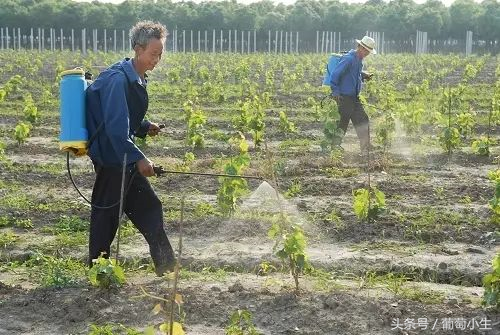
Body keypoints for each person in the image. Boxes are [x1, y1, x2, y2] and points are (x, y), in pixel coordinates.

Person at [85, 21, 175, 276]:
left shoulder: (134, 76)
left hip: (122, 155)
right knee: (106, 219)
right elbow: (115, 130)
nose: (157, 59)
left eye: (160, 54)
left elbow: (123, 118)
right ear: (138, 49)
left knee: (149, 208)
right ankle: (98, 274)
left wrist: (145, 126)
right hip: (113, 159)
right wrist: (140, 159)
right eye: (153, 54)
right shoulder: (117, 80)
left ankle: (168, 267)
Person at [330, 35, 376, 153]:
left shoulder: (358, 60)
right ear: (359, 46)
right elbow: (335, 75)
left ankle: (365, 147)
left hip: (354, 97)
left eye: (368, 51)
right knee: (342, 122)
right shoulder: (349, 58)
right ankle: (334, 147)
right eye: (365, 49)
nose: (366, 53)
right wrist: (335, 91)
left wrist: (363, 75)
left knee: (363, 119)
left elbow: (353, 73)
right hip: (344, 97)